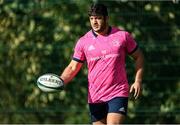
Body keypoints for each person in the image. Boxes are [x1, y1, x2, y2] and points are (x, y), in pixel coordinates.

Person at [60, 3, 144, 124]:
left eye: (98, 18)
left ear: (107, 18)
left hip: (118, 92)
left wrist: (138, 81)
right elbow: (73, 67)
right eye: (92, 18)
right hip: (95, 96)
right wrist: (61, 80)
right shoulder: (83, 42)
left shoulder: (122, 36)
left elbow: (139, 56)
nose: (94, 22)